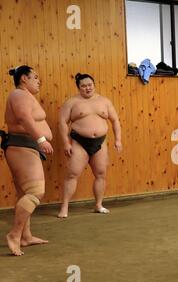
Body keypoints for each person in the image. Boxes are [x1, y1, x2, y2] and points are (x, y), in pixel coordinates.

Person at [0, 65, 54, 256]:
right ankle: (15, 235)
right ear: (24, 78)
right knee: (36, 192)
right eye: (35, 77)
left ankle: (26, 236)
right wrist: (41, 139)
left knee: (25, 192)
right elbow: (23, 118)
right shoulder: (19, 95)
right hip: (22, 146)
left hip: (26, 147)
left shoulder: (26, 96)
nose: (39, 81)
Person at [57, 73, 122, 218]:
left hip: (100, 142)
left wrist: (118, 140)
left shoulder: (104, 101)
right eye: (84, 86)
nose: (87, 88)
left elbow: (115, 120)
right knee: (72, 174)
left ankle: (98, 205)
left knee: (101, 174)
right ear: (79, 88)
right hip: (79, 142)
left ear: (94, 84)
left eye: (90, 85)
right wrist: (65, 143)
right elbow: (62, 122)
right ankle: (64, 207)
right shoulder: (72, 102)